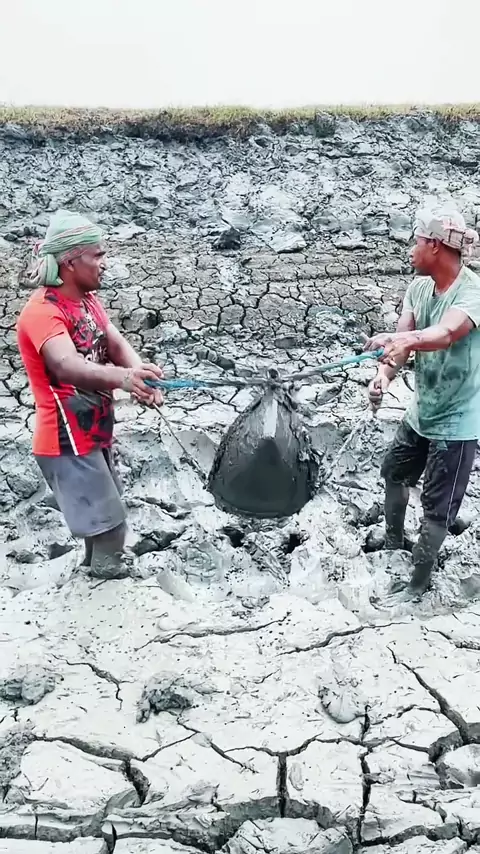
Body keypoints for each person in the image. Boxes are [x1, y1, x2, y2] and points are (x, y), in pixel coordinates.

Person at [16, 209, 164, 580]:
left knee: (101, 522)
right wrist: (126, 379)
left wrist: (141, 375)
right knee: (111, 525)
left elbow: (115, 343)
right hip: (64, 439)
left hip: (91, 432)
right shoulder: (42, 313)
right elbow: (66, 365)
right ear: (70, 262)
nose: (105, 263)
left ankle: (93, 572)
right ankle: (105, 586)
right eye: (97, 255)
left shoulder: (87, 301)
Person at [363, 210, 480, 595]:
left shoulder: (472, 293)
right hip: (421, 412)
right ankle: (394, 542)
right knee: (394, 474)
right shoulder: (417, 289)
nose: (411, 250)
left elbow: (445, 334)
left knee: (436, 509)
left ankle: (417, 586)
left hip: (457, 423)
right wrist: (383, 376)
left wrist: (399, 341)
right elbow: (401, 346)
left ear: (434, 245)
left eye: (416, 242)